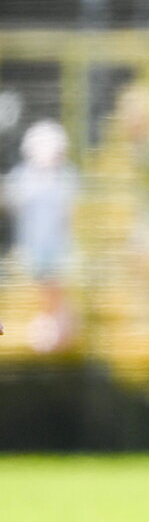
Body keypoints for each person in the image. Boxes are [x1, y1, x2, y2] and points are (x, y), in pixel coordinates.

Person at [2, 120, 80, 352]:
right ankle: (54, 326)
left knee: (54, 287)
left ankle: (59, 328)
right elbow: (11, 199)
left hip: (58, 246)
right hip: (34, 244)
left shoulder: (66, 177)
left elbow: (71, 212)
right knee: (44, 287)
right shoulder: (25, 176)